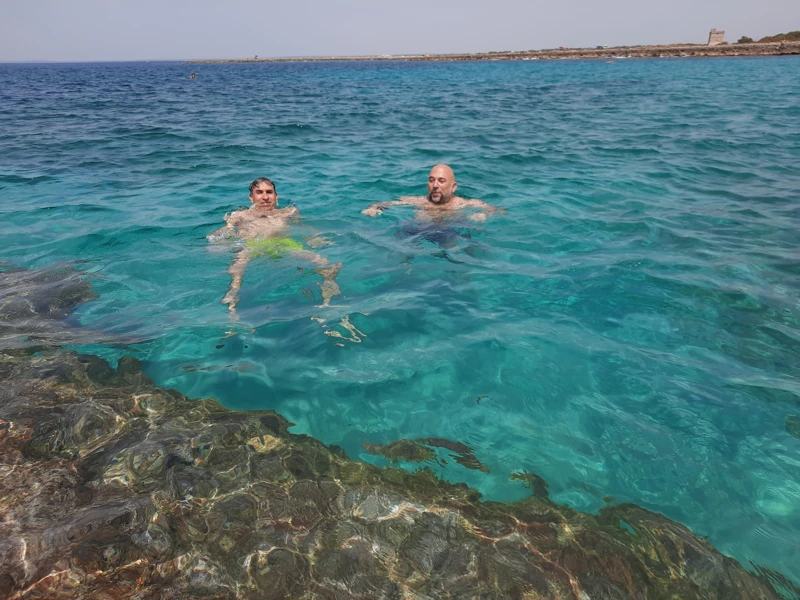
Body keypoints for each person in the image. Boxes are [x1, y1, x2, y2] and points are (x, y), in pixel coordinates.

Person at [208, 178, 341, 318]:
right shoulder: (240, 215)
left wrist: (316, 238)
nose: (265, 197)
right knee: (237, 270)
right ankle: (232, 309)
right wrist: (219, 239)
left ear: (276, 196)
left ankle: (328, 301)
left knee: (327, 265)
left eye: (269, 192)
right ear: (251, 197)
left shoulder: (289, 212)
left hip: (283, 244)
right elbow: (223, 232)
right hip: (252, 246)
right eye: (259, 192)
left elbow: (304, 228)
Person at [361, 164, 499, 223]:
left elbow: (495, 210)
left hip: (450, 233)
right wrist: (373, 208)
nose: (435, 185)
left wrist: (483, 214)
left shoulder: (462, 204)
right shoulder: (417, 201)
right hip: (418, 232)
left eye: (441, 181)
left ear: (453, 187)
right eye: (431, 180)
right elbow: (387, 203)